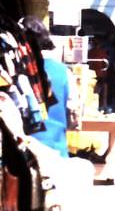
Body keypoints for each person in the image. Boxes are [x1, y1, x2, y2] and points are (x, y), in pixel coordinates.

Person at [21, 16, 79, 157]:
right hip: (57, 151)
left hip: (26, 155)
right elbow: (74, 116)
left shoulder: (20, 70)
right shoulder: (64, 71)